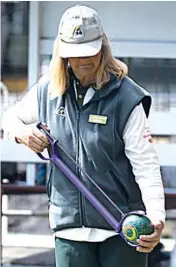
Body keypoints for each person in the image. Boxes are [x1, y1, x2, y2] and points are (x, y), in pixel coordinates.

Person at [2, 5, 166, 267]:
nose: (84, 61)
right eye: (75, 54)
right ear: (62, 53)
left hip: (122, 228)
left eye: (90, 51)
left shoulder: (127, 97)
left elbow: (145, 164)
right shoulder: (47, 90)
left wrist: (157, 216)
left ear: (103, 46)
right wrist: (23, 133)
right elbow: (9, 117)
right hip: (69, 229)